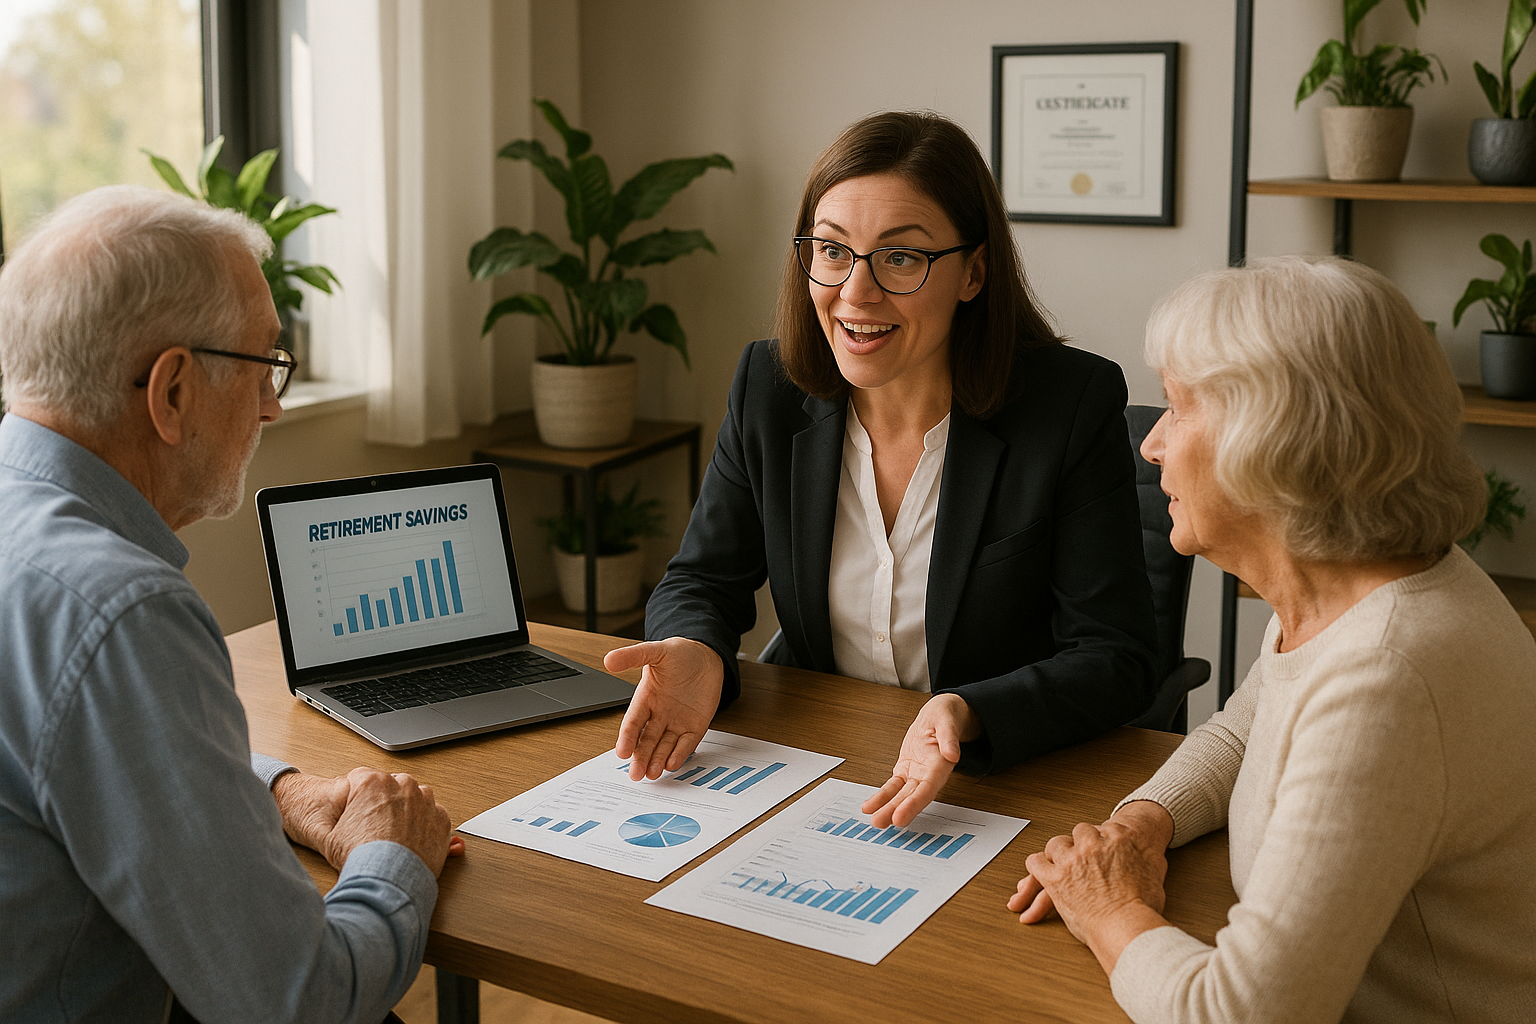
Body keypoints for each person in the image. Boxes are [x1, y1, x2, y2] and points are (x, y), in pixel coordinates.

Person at [1009, 256, 1536, 1023]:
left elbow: (1242, 1013)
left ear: (1275, 439)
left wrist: (1108, 907)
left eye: (1179, 409)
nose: (1151, 445)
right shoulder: (1351, 594)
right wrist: (1140, 826)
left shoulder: (1387, 673)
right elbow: (1241, 735)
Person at [604, 110, 1158, 827]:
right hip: (821, 764)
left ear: (973, 273)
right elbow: (702, 578)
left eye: (901, 258)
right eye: (832, 251)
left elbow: (1117, 656)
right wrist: (699, 648)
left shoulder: (1068, 406)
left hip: (998, 788)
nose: (856, 293)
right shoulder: (769, 387)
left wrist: (971, 711)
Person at [0, 186, 463, 1024]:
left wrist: (277, 787)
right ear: (172, 391)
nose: (273, 406)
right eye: (264, 365)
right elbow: (294, 1001)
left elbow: (69, 758)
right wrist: (394, 851)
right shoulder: (120, 610)